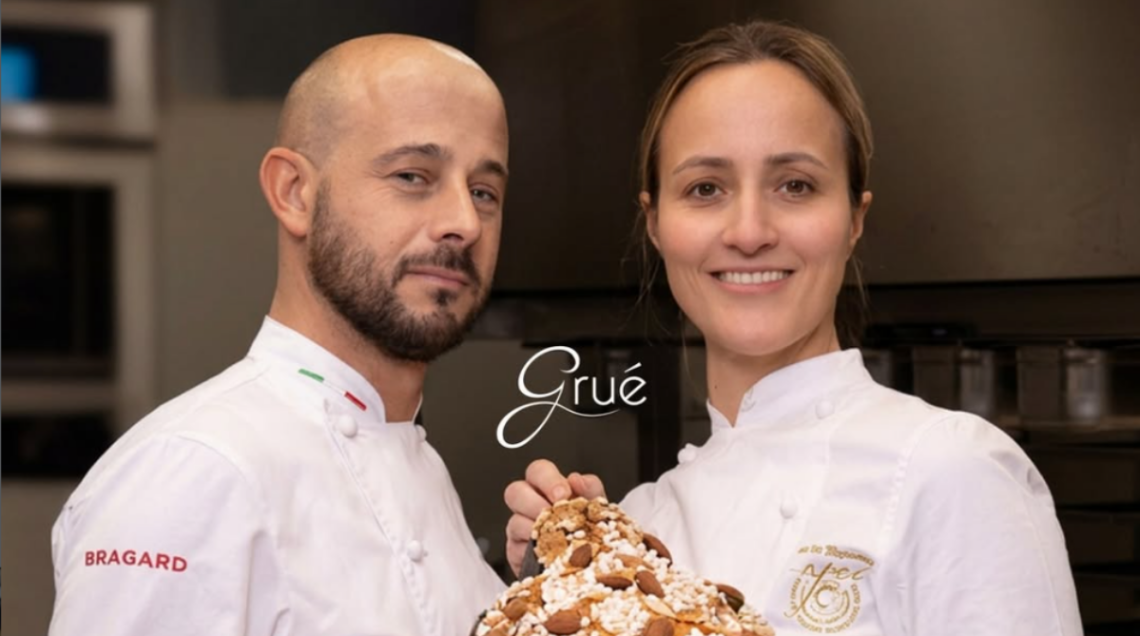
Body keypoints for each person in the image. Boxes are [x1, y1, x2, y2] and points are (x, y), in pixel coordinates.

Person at [504, 20, 1082, 635]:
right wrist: (565, 587)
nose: (749, 232)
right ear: (655, 222)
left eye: (796, 185)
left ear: (854, 217)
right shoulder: (646, 525)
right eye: (705, 188)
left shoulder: (954, 471)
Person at [49, 34, 509, 636]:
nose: (464, 223)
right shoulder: (193, 470)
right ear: (294, 192)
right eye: (412, 176)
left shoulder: (418, 464)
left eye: (483, 191)